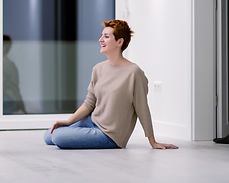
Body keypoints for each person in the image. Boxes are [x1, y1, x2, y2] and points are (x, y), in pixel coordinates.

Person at [44, 20, 178, 150]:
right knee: (48, 136)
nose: (100, 39)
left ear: (119, 42)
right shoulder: (98, 69)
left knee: (58, 137)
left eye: (106, 36)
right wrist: (68, 122)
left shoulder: (134, 72)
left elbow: (142, 108)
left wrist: (152, 141)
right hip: (93, 121)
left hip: (109, 135)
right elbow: (89, 103)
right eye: (101, 35)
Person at [3, 34, 27, 114]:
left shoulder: (3, 65)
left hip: (8, 100)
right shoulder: (10, 64)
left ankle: (13, 113)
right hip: (12, 100)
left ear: (3, 48)